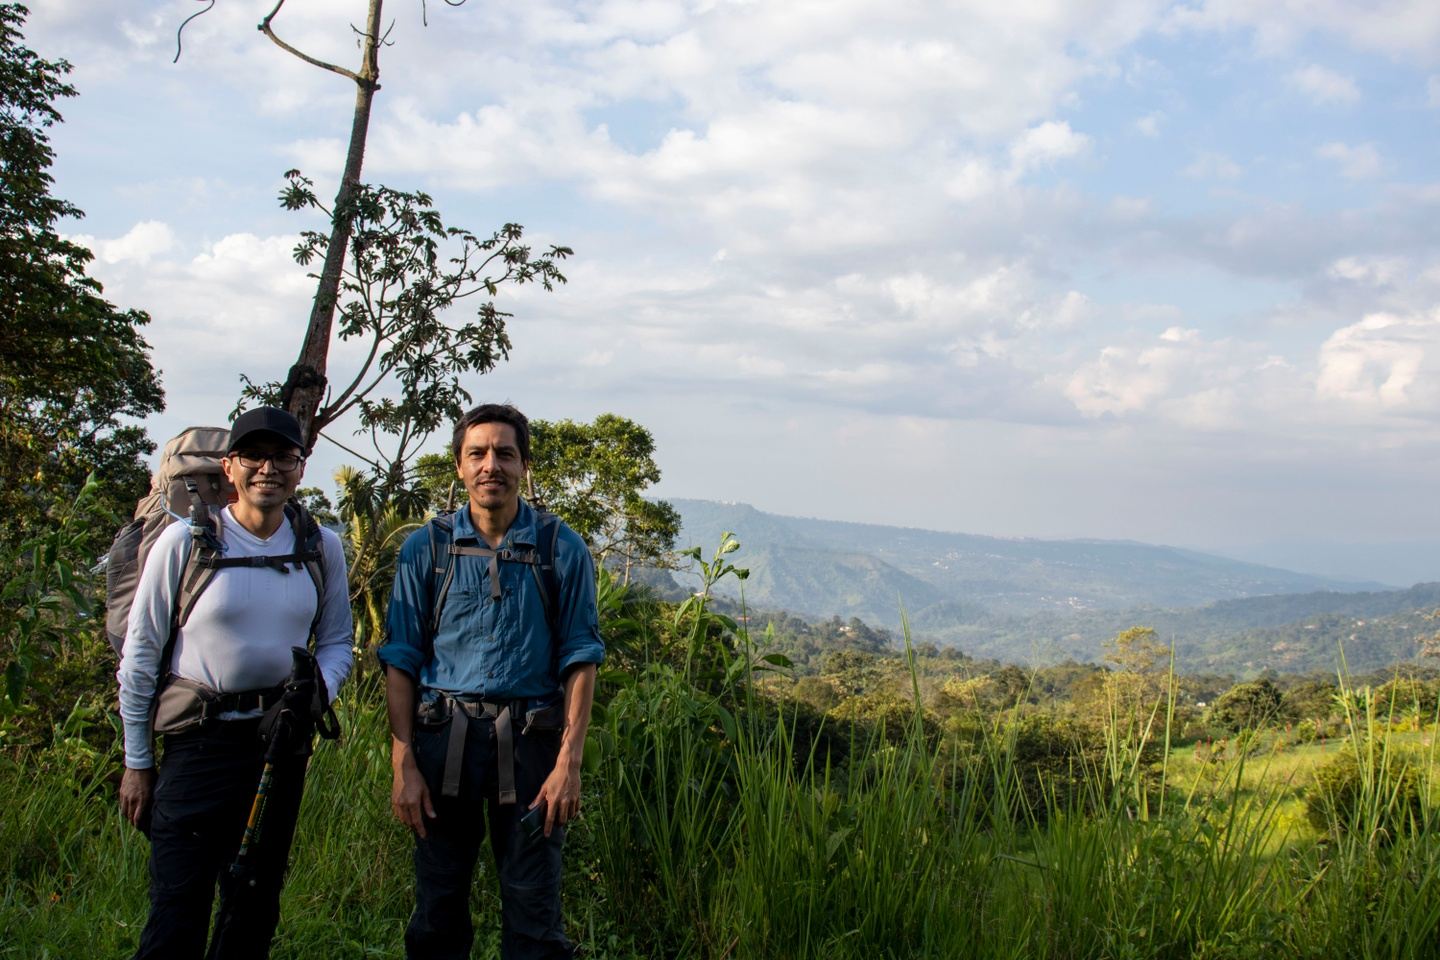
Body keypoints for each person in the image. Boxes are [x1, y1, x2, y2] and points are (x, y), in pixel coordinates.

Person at [116, 406, 354, 960]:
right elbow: (141, 655)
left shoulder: (320, 546)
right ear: (230, 467)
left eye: (283, 457)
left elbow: (338, 640)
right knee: (178, 908)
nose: (268, 469)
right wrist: (137, 762)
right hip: (197, 744)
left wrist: (315, 695)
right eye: (253, 456)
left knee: (254, 904)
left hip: (280, 746)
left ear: (301, 467)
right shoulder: (187, 543)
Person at [380, 403, 604, 960]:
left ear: (524, 464)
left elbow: (581, 656)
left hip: (532, 744)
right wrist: (403, 762)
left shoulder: (560, 548)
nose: (491, 466)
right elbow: (401, 659)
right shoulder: (427, 548)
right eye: (477, 453)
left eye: (505, 453)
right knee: (438, 906)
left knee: (534, 909)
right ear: (459, 466)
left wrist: (569, 763)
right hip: (442, 741)